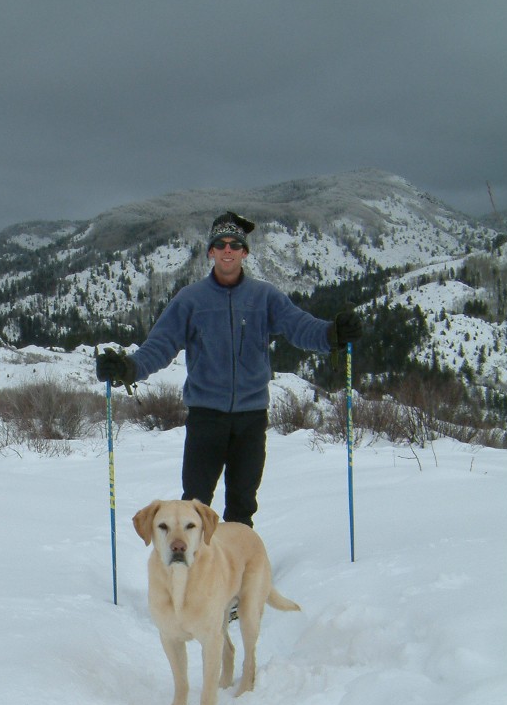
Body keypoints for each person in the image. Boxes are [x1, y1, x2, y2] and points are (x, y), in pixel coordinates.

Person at [96, 210, 362, 529]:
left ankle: (236, 573)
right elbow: (160, 346)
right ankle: (193, 574)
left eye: (234, 244)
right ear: (210, 251)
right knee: (194, 506)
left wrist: (331, 334)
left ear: (244, 252)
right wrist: (128, 367)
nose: (227, 249)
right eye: (220, 243)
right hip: (206, 418)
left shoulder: (264, 297)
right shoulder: (190, 300)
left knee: (242, 506)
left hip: (251, 419)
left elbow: (299, 326)